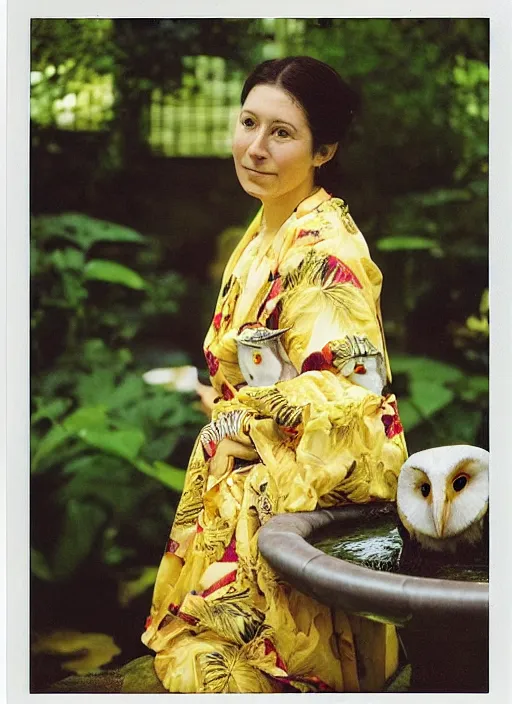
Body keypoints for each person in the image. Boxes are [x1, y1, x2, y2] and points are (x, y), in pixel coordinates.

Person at [142, 56, 408, 693]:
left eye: (281, 133)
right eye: (247, 123)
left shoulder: (323, 249)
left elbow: (358, 394)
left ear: (325, 150)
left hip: (285, 502)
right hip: (240, 483)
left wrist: (249, 423)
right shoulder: (268, 230)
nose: (254, 148)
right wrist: (230, 407)